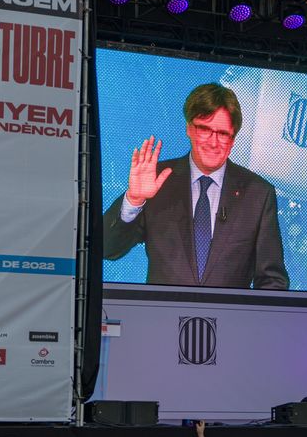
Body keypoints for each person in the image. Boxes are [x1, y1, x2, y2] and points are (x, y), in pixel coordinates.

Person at [103, 83, 289, 290]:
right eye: (205, 129)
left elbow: (273, 281)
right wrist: (135, 200)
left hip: (232, 322)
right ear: (189, 129)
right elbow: (107, 249)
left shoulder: (258, 194)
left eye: (223, 133)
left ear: (233, 139)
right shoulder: (157, 180)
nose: (213, 142)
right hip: (162, 319)